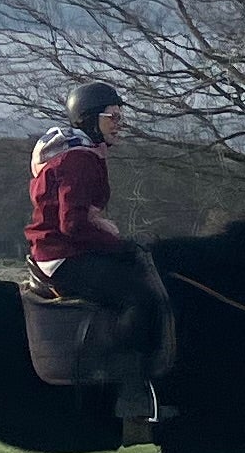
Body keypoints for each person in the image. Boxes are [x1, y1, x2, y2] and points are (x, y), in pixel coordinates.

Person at [26, 81, 168, 432]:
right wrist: (118, 243)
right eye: (113, 116)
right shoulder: (79, 159)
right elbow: (72, 224)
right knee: (141, 299)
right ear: (90, 119)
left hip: (65, 251)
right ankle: (130, 392)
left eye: (121, 115)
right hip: (64, 257)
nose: (120, 122)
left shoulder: (78, 152)